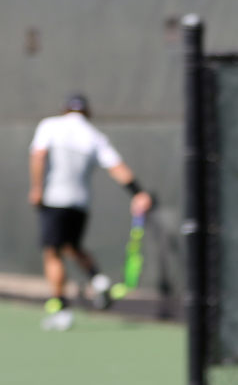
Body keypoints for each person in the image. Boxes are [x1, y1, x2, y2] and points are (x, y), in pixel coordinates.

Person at [28, 94, 153, 331]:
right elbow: (117, 168)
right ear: (87, 112)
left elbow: (38, 155)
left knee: (52, 253)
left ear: (64, 109)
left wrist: (36, 189)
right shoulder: (94, 136)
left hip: (54, 200)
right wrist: (138, 192)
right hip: (80, 204)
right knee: (71, 246)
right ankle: (97, 278)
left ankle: (61, 309)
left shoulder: (49, 125)